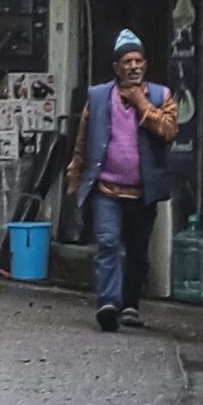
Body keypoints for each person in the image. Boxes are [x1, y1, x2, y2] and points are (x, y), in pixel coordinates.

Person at [67, 29, 178, 332]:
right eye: (127, 61)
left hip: (143, 191)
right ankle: (108, 303)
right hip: (107, 187)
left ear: (146, 64)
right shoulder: (99, 96)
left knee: (138, 251)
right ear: (116, 67)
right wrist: (75, 174)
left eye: (138, 60)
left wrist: (142, 105)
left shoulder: (161, 95)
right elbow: (83, 139)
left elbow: (169, 131)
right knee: (107, 242)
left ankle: (130, 305)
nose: (133, 66)